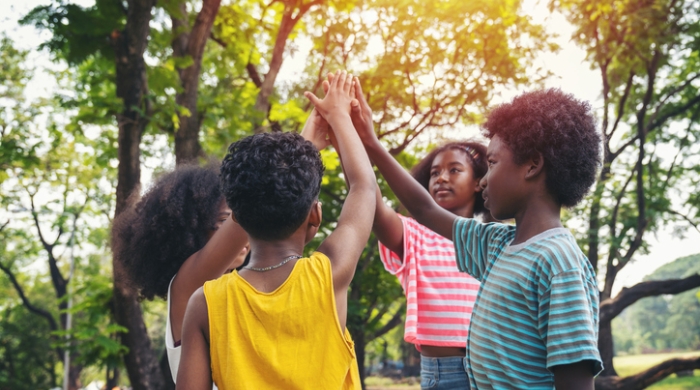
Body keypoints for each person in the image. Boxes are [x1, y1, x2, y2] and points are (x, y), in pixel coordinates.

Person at [353, 87, 603, 389]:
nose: (484, 178)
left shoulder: (559, 264)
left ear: (533, 165)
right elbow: (424, 209)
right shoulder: (497, 245)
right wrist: (368, 140)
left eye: (493, 163)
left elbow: (575, 382)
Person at [176, 70, 376, 390]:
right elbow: (364, 188)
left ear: (236, 218)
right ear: (315, 215)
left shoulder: (205, 303)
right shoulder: (328, 275)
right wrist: (340, 117)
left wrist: (306, 146)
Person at [350, 84, 486, 389]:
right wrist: (357, 138)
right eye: (435, 172)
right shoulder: (413, 235)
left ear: (478, 182)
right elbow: (367, 197)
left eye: (454, 170)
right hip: (446, 374)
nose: (441, 178)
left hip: (495, 370)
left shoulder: (489, 239)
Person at [112, 164, 250, 382]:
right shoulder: (187, 286)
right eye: (225, 222)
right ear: (191, 230)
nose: (244, 231)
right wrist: (303, 148)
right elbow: (252, 212)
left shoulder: (241, 288)